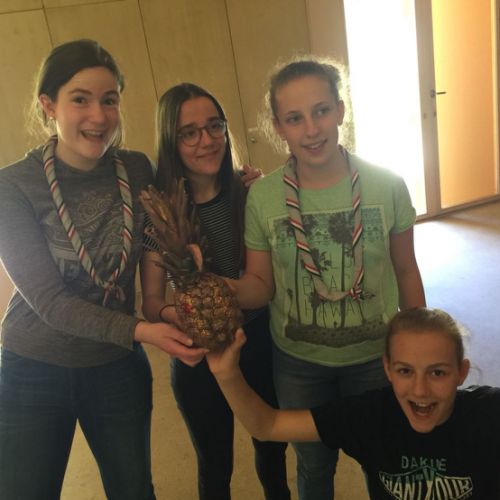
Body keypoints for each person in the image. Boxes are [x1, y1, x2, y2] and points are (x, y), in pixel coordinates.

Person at [0, 39, 204, 500]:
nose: (99, 116)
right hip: (34, 366)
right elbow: (50, 302)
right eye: (80, 99)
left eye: (109, 100)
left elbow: (156, 235)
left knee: (133, 490)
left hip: (115, 365)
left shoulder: (135, 169)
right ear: (48, 105)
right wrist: (143, 330)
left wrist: (243, 185)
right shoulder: (12, 185)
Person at [226, 56, 427, 499]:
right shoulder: (264, 197)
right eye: (294, 118)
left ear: (340, 110)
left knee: (385, 461)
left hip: (375, 357)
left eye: (321, 111)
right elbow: (260, 284)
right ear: (278, 127)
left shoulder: (387, 185)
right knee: (314, 467)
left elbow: (405, 268)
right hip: (299, 362)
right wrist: (224, 289)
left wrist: (419, 346)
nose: (312, 129)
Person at [140, 82, 290, 500]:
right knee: (214, 463)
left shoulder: (250, 193)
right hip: (197, 349)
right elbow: (151, 302)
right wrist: (177, 314)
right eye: (189, 133)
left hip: (258, 337)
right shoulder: (160, 216)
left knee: (273, 450)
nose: (206, 141)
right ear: (171, 141)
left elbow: (266, 281)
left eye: (214, 126)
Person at [207, 307, 500, 498]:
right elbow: (267, 425)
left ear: (461, 372)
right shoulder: (369, 417)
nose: (420, 390)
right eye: (405, 371)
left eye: (437, 373)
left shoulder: (487, 414)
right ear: (387, 369)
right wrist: (226, 374)